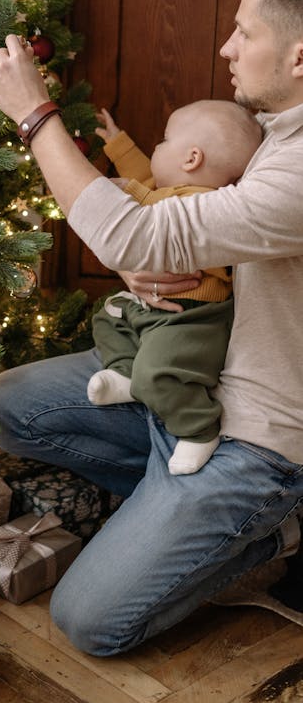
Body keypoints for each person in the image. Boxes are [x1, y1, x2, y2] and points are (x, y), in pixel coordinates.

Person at [0, 0, 303, 656]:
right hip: (192, 373)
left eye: (245, 32)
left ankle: (277, 526)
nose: (226, 47)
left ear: (300, 58)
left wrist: (36, 114)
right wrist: (146, 266)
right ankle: (173, 505)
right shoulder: (277, 132)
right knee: (10, 402)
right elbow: (183, 221)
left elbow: (138, 231)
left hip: (258, 439)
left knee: (89, 621)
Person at [87, 100, 261, 475]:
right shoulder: (168, 190)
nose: (156, 148)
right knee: (107, 319)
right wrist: (118, 144)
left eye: (164, 141)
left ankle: (199, 430)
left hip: (193, 320)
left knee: (160, 374)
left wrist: (126, 191)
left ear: (192, 158)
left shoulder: (209, 204)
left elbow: (152, 207)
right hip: (151, 306)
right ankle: (124, 373)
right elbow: (146, 180)